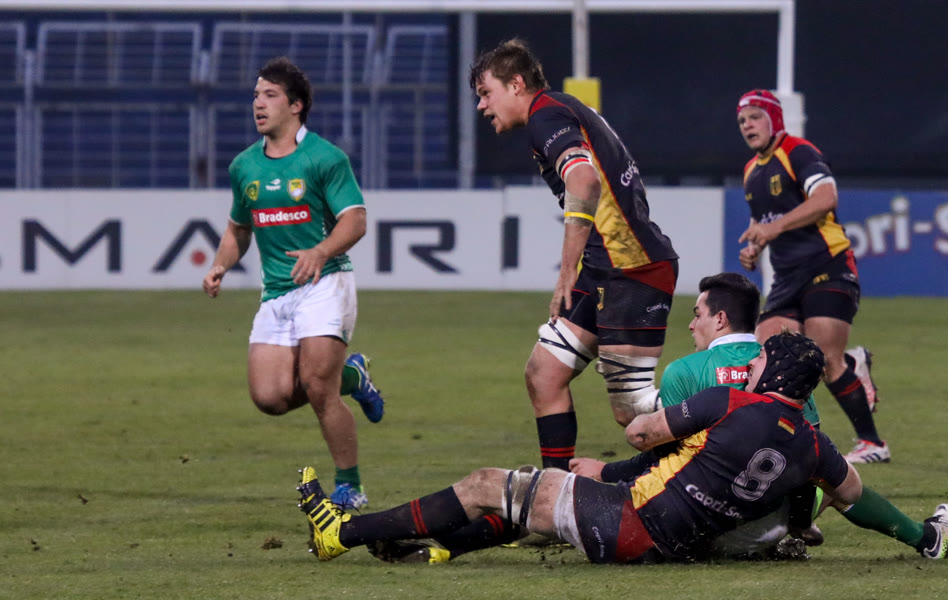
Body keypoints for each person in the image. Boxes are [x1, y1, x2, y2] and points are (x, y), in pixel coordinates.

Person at [296, 332, 862, 565]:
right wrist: (801, 522)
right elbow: (851, 493)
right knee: (527, 495)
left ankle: (341, 533)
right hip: (669, 535)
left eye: (761, 360)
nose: (753, 364)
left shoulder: (732, 402)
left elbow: (640, 435)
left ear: (776, 371)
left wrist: (657, 415)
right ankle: (430, 548)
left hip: (634, 524)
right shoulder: (812, 444)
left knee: (487, 483)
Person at [575, 273, 948, 560]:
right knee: (835, 478)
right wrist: (800, 523)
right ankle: (925, 537)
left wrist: (606, 472)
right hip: (764, 523)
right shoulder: (787, 368)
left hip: (686, 522)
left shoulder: (685, 371)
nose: (691, 325)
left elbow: (661, 458)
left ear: (719, 319)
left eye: (697, 314)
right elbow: (808, 462)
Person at [469, 39, 679, 470]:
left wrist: (566, 270)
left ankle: (741, 417)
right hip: (606, 268)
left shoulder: (545, 115)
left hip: (631, 269)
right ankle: (555, 494)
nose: (481, 106)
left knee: (633, 410)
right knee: (544, 373)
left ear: (516, 84)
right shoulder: (559, 109)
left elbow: (583, 181)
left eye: (486, 93)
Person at [202, 56, 385, 510]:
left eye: (270, 95)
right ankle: (353, 376)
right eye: (255, 96)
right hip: (277, 293)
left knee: (317, 386)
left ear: (296, 105)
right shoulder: (244, 166)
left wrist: (320, 251)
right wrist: (221, 264)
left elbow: (356, 221)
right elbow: (238, 229)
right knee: (270, 398)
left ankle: (350, 486)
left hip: (326, 282)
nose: (258, 104)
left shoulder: (325, 158)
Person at [734, 89, 889, 463]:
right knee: (768, 357)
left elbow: (825, 199)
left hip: (827, 265)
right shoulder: (751, 171)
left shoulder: (798, 152)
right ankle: (784, 445)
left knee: (825, 358)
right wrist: (755, 247)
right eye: (741, 121)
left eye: (755, 117)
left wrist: (774, 228)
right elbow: (764, 221)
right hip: (786, 278)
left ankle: (872, 444)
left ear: (774, 119)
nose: (747, 126)